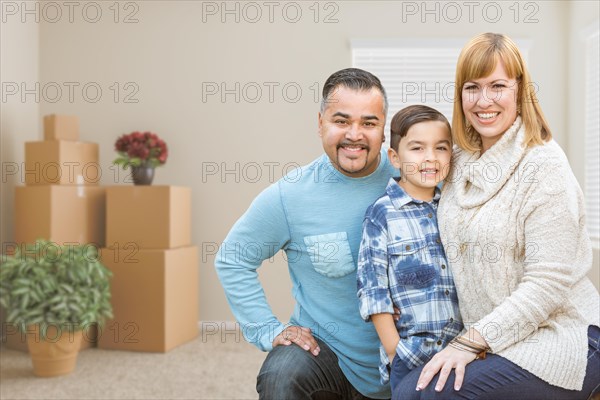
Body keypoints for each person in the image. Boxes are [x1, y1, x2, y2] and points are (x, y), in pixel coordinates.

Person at [394, 32, 600, 400]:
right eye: (472, 87)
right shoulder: (457, 160)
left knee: (436, 395)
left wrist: (468, 343)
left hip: (562, 336)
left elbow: (546, 286)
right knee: (408, 390)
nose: (483, 101)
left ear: (520, 91)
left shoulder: (544, 166)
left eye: (498, 86)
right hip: (495, 335)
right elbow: (405, 162)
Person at [215, 68, 397, 399]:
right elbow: (232, 258)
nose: (354, 134)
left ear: (383, 130)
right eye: (341, 121)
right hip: (329, 356)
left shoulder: (413, 179)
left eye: (368, 123)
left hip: (408, 358)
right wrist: (267, 329)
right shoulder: (291, 196)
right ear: (320, 123)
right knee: (281, 375)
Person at [356, 105, 464, 398]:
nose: (430, 157)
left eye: (440, 148)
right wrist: (396, 352)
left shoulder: (453, 209)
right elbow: (373, 291)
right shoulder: (382, 214)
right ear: (394, 157)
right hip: (412, 354)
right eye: (417, 148)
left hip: (459, 349)